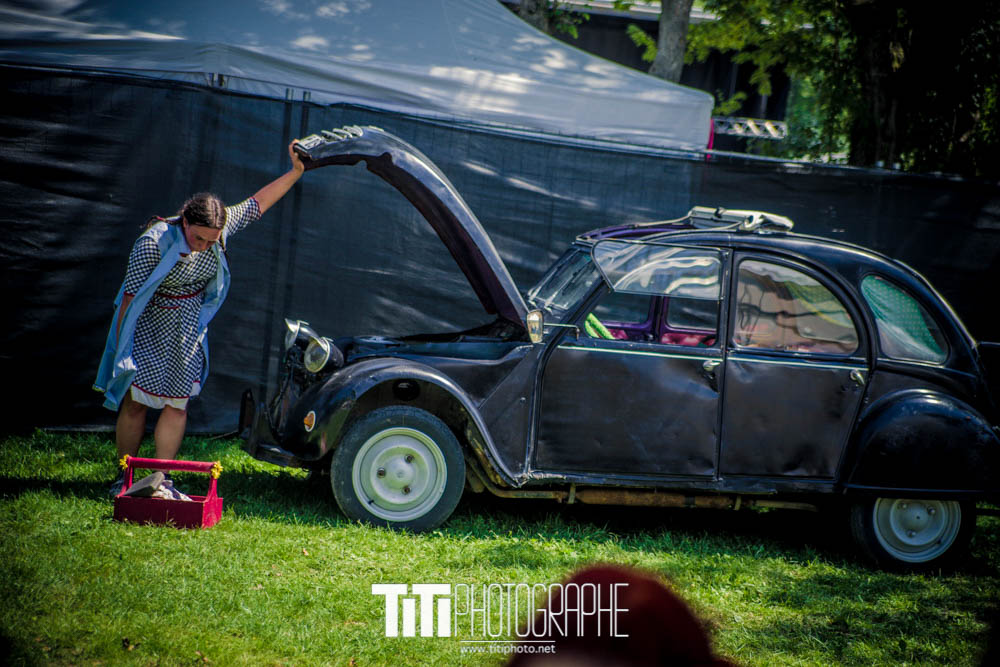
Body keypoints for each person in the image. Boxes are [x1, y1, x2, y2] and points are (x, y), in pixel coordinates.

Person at [95, 141, 306, 496]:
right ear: (186, 220)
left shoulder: (219, 230)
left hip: (187, 330)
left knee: (177, 405)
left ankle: (162, 476)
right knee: (137, 403)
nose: (204, 245)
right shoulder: (153, 242)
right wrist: (121, 351)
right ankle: (125, 475)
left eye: (212, 240)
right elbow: (129, 299)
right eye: (199, 237)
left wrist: (296, 171)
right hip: (147, 324)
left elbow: (258, 204)